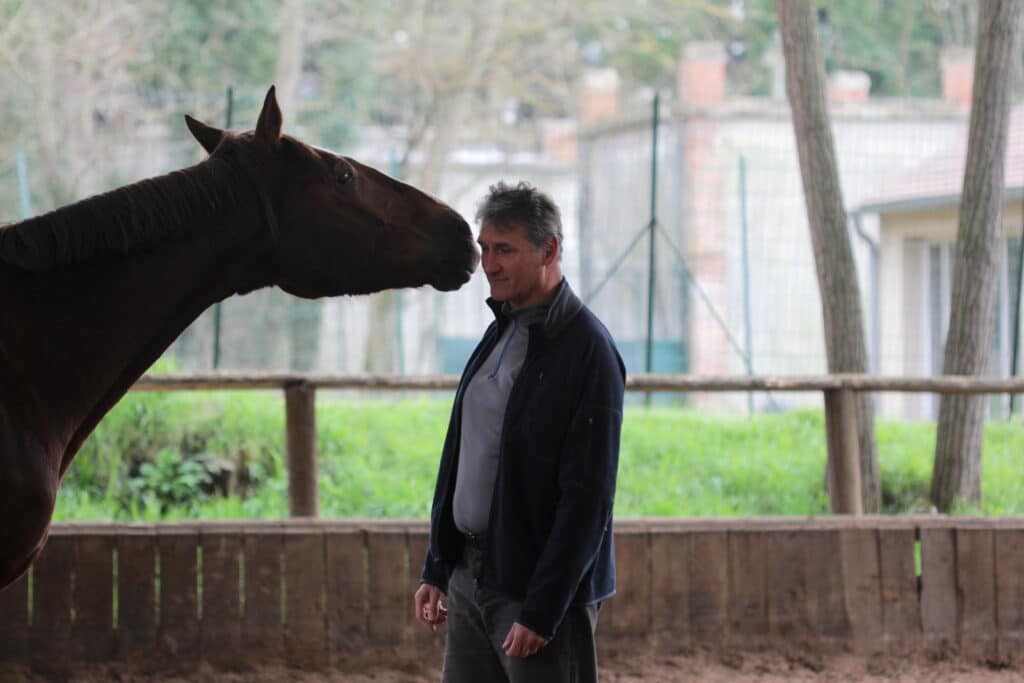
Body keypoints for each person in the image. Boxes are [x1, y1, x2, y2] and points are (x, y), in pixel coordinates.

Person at [413, 181, 626, 682]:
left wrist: (544, 607)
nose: (489, 264)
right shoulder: (501, 331)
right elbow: (463, 453)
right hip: (469, 577)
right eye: (485, 248)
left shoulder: (589, 350)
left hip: (535, 591)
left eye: (504, 249)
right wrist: (438, 566)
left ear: (549, 249)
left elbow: (590, 497)